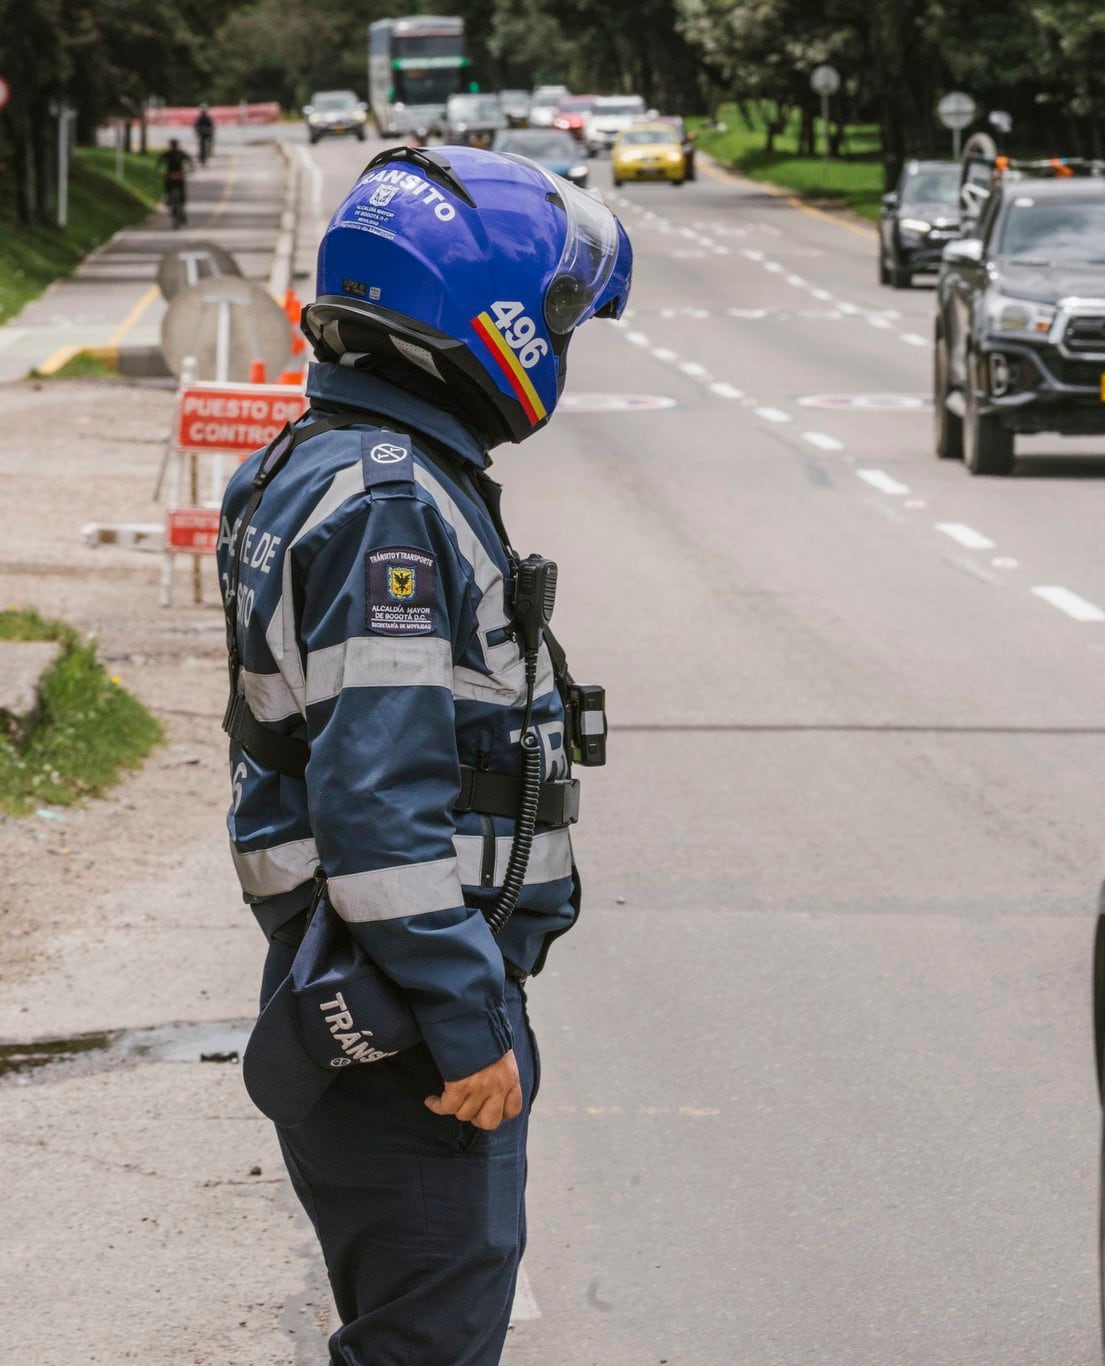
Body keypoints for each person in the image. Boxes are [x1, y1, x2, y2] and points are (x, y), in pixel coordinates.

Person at [217, 144, 630, 1365]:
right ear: (489, 318)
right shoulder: (388, 508)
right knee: (428, 1340)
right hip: (405, 1016)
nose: (563, 342)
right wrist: (465, 1018)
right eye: (559, 318)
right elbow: (377, 811)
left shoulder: (316, 458)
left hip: (364, 981)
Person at [159, 138, 191, 228]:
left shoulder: (179, 153)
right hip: (171, 176)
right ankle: (169, 200)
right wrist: (159, 171)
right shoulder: (168, 154)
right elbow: (159, 162)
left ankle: (181, 210)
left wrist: (189, 169)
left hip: (178, 176)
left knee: (180, 193)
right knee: (169, 190)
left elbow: (189, 160)